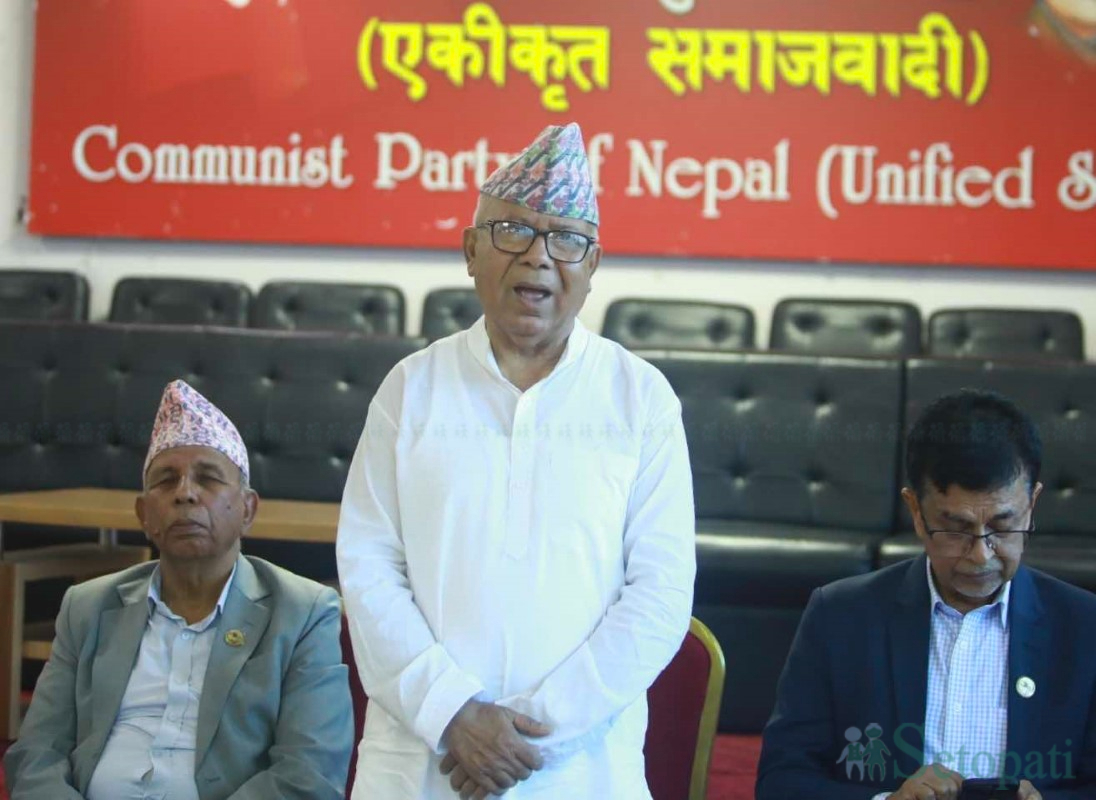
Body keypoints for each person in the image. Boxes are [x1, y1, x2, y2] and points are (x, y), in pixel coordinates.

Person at [336, 123, 696, 800]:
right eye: (513, 232)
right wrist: (453, 715)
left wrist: (526, 738)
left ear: (592, 265)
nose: (538, 257)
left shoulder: (640, 398)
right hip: (425, 760)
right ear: (470, 251)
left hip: (579, 769)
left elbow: (661, 595)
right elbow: (368, 568)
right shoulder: (411, 390)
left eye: (566, 240)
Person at [4, 379, 353, 800]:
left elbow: (309, 774)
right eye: (166, 481)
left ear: (248, 509)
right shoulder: (88, 607)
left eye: (208, 478)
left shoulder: (302, 612)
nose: (185, 493)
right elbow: (36, 755)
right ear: (143, 514)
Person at [756, 389, 1096, 800]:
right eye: (955, 528)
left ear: (1032, 504)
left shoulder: (1085, 627)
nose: (980, 555)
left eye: (1004, 526)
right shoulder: (840, 616)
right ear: (916, 511)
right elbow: (782, 780)